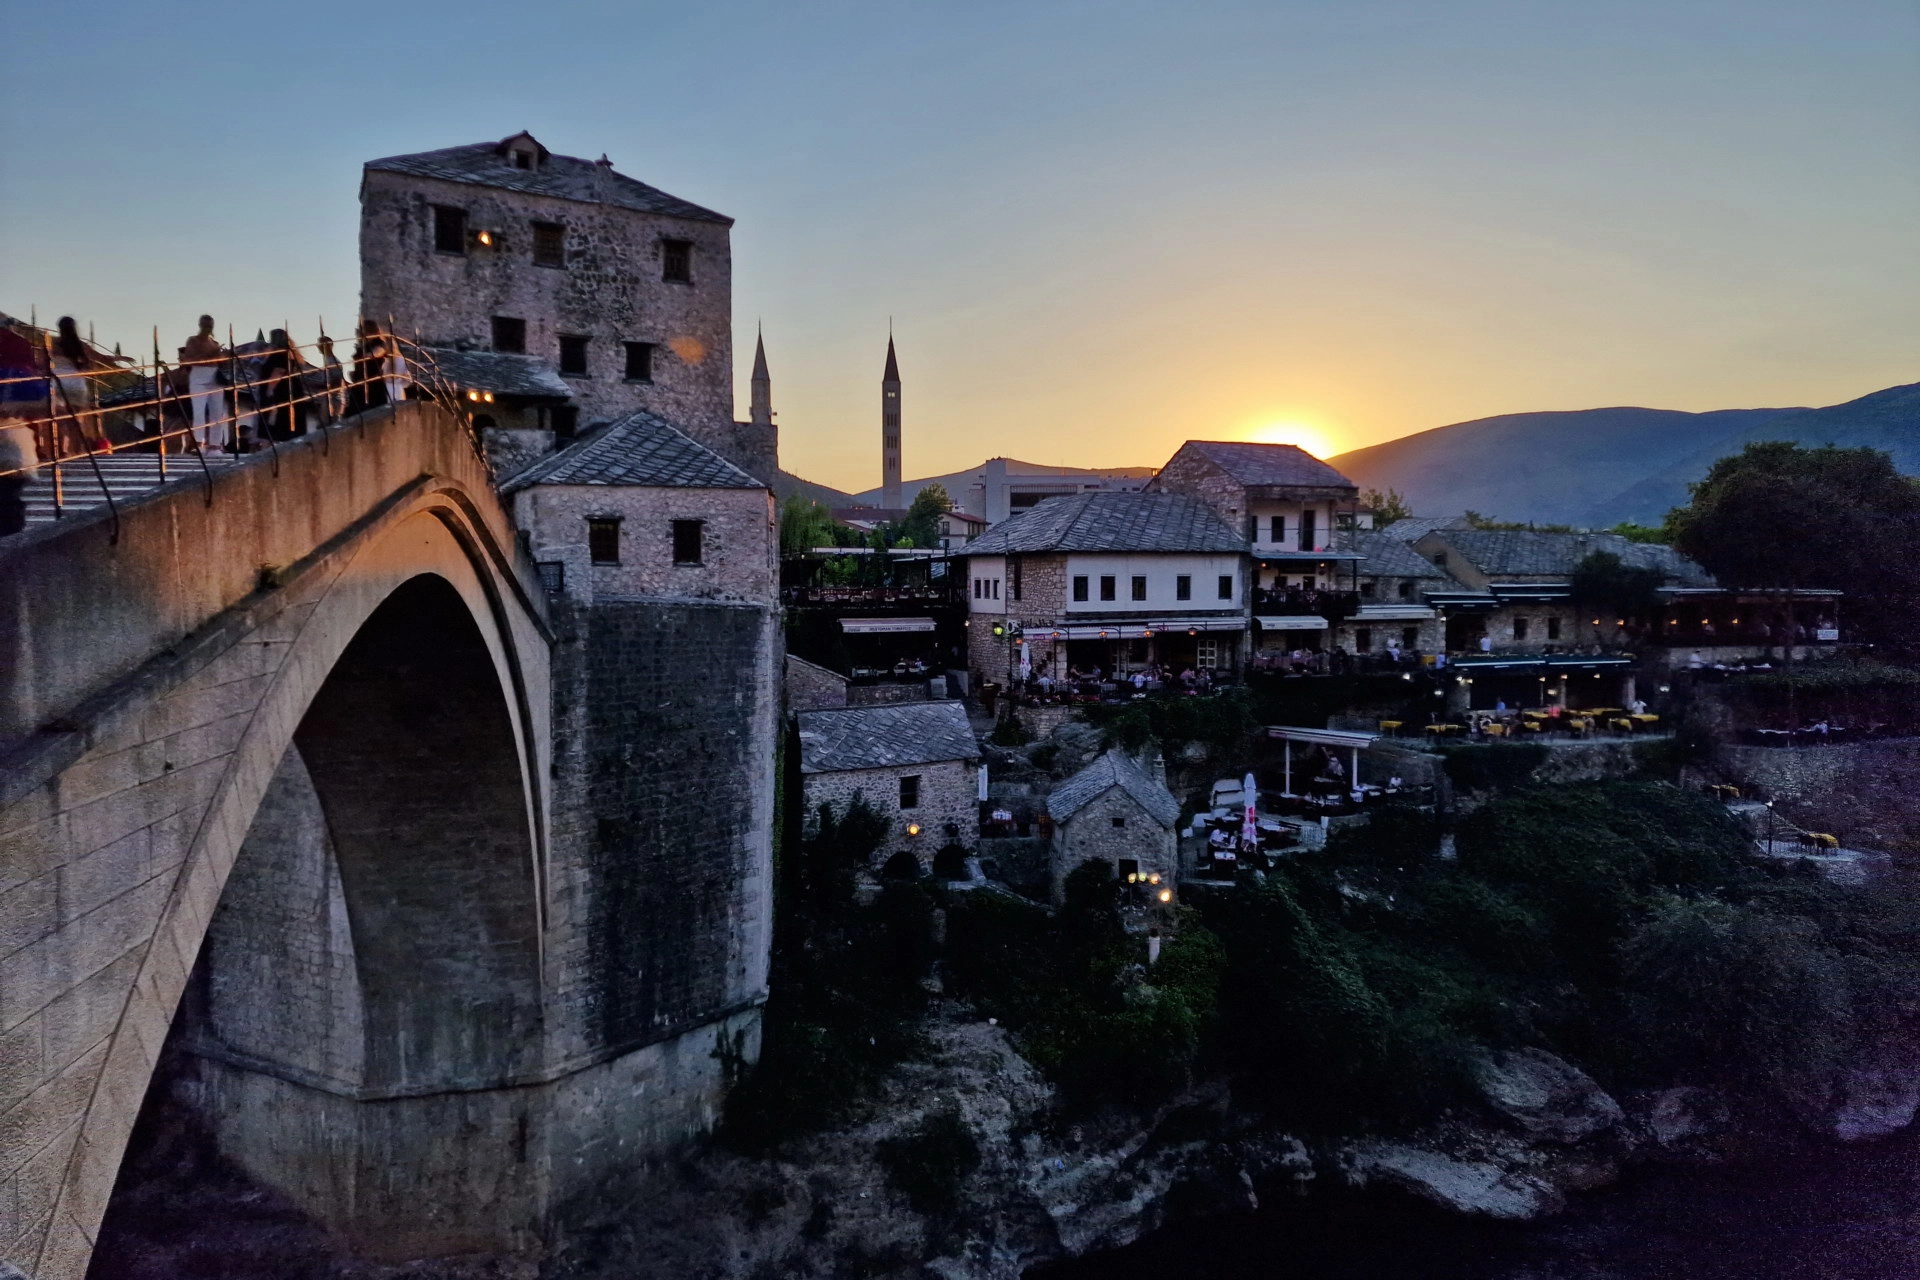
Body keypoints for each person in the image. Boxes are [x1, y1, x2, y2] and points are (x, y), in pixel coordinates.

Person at [181, 316, 226, 450]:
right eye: (205, 326)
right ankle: (198, 443)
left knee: (217, 412)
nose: (208, 329)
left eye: (210, 326)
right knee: (199, 412)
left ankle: (215, 445)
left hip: (214, 376)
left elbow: (219, 361)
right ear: (200, 325)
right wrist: (211, 355)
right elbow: (189, 360)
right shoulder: (192, 341)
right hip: (198, 376)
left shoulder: (215, 343)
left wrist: (223, 355)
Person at [0, 415, 38, 535]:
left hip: (7, 468)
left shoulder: (4, 428)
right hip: (24, 468)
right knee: (11, 497)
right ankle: (15, 524)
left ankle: (10, 526)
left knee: (6, 498)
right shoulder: (21, 427)